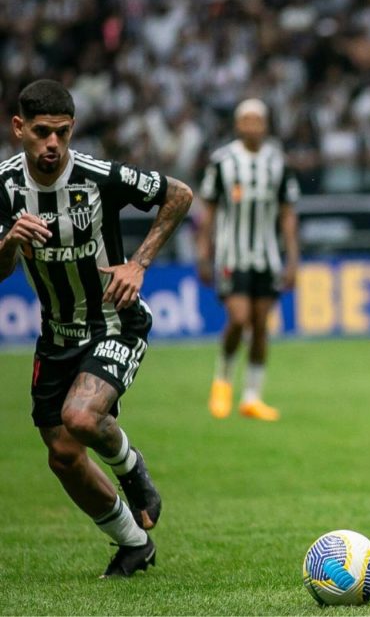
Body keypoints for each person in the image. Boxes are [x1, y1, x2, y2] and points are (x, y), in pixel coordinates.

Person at [0, 79, 193, 577]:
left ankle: (132, 468)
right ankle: (133, 543)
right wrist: (7, 242)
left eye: (62, 133)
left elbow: (179, 194)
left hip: (115, 322)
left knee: (82, 419)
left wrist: (140, 264)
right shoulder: (3, 187)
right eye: (42, 133)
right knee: (62, 455)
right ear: (18, 127)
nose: (52, 145)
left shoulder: (99, 175)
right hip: (56, 334)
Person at [197, 98, 300, 421]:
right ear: (238, 124)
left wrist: (293, 259)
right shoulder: (222, 161)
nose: (253, 126)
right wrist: (203, 252)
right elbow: (208, 211)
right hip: (232, 254)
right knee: (238, 318)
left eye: (258, 120)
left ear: (265, 125)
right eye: (247, 120)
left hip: (267, 256)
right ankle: (223, 382)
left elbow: (287, 215)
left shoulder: (277, 163)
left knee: (259, 326)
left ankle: (252, 397)